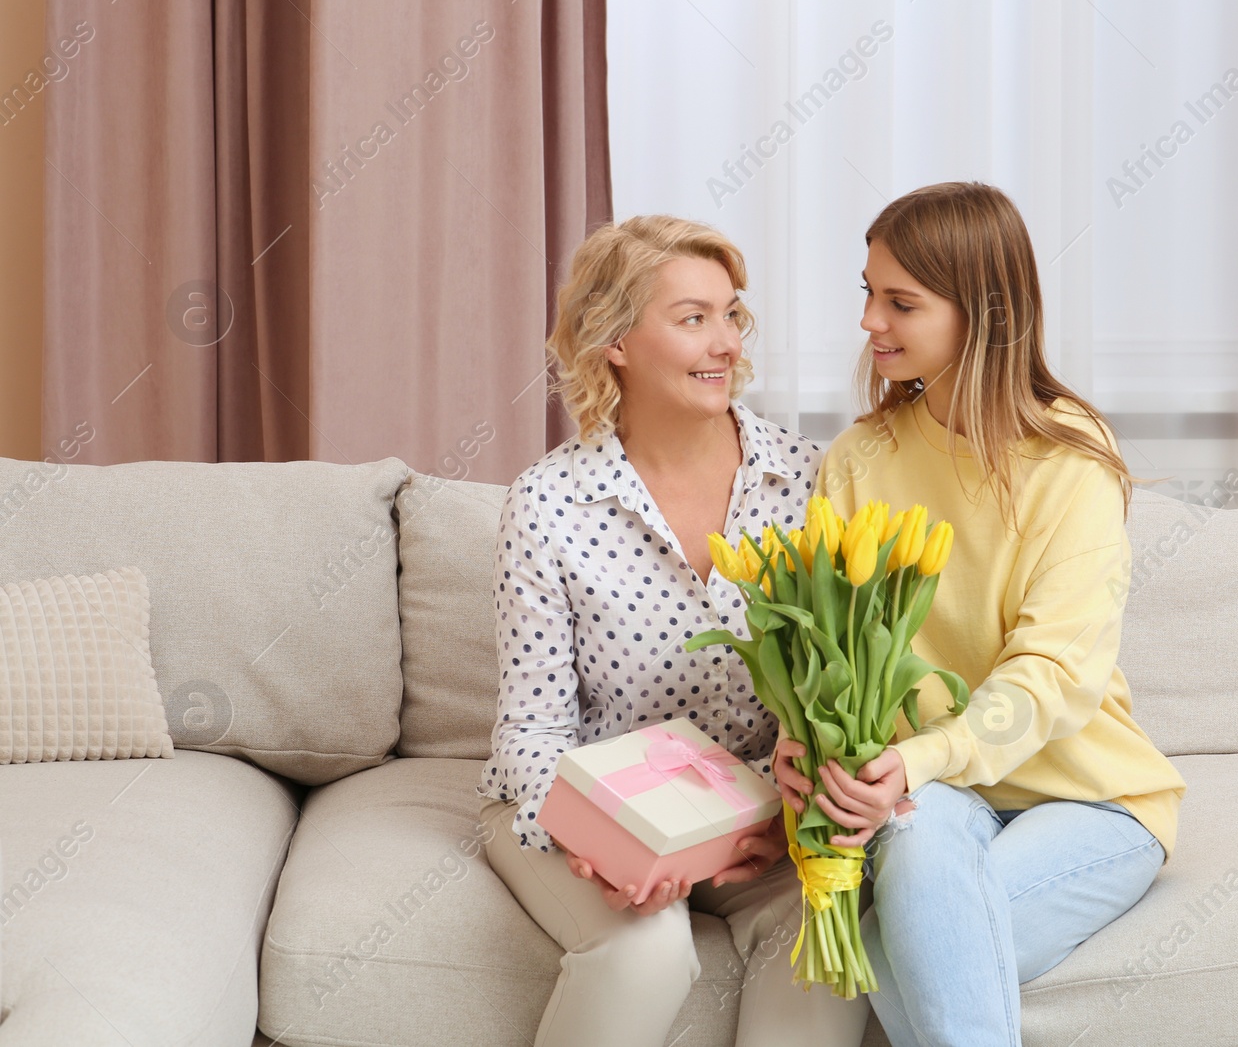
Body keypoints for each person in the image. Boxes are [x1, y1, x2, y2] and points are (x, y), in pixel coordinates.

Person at [771, 181, 1188, 1047]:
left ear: (982, 313)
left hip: (1091, 793)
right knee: (920, 866)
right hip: (932, 789)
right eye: (868, 293)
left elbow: (1055, 673)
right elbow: (824, 647)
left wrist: (921, 758)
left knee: (894, 940)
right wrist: (803, 737)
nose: (869, 322)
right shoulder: (858, 460)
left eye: (901, 302)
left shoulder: (1070, 458)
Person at [477, 214, 872, 1047]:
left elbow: (829, 699)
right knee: (645, 954)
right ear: (614, 338)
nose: (726, 340)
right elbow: (529, 735)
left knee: (828, 935)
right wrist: (609, 841)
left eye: (733, 314)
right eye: (693, 318)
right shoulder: (548, 504)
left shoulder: (809, 481)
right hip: (592, 814)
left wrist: (776, 816)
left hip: (765, 818)